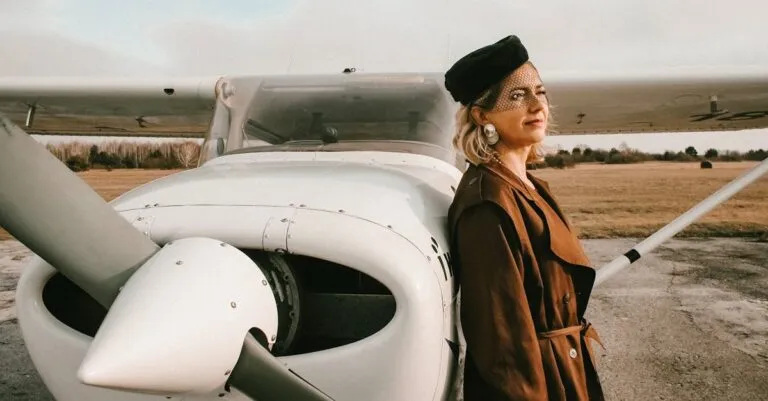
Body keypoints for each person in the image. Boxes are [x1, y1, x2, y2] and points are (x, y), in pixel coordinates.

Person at [444, 35, 605, 401]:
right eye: (516, 96)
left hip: (565, 372)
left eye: (541, 92)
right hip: (539, 384)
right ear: (482, 115)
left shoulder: (528, 185)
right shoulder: (488, 202)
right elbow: (503, 348)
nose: (537, 105)